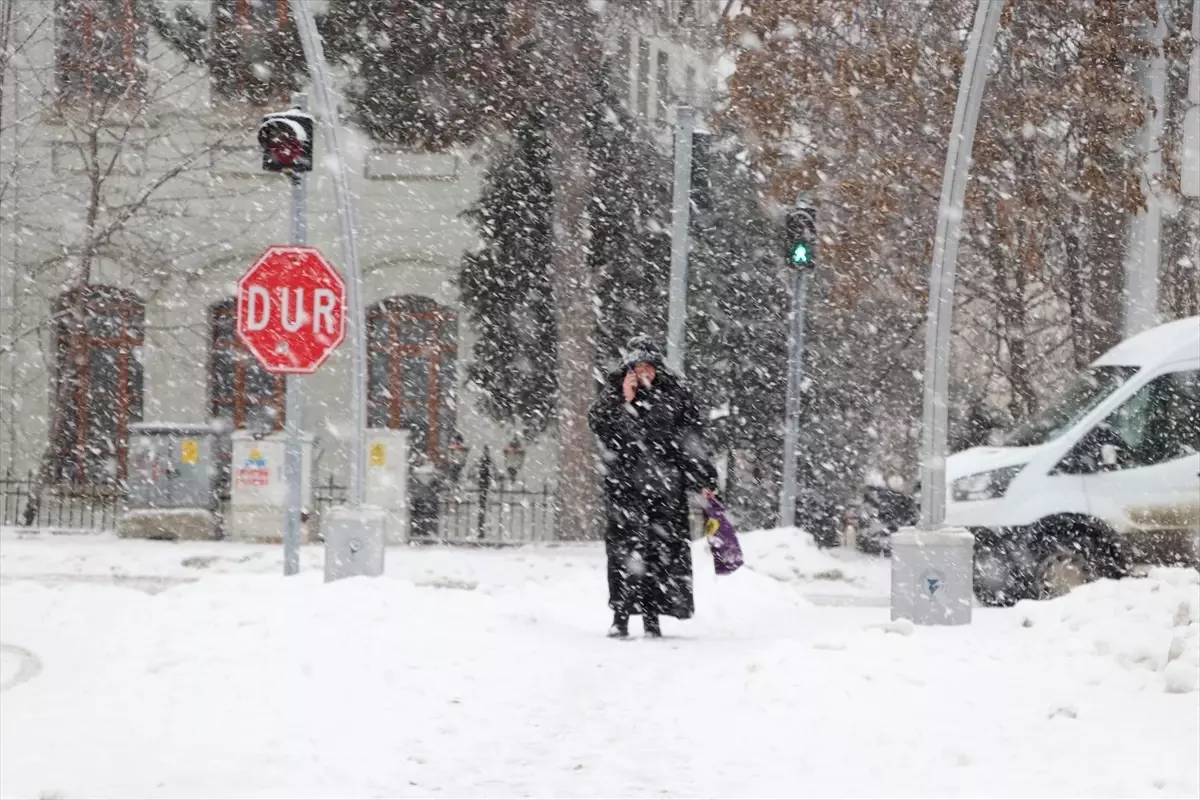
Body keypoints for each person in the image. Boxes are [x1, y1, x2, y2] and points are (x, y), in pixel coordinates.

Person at [588, 336, 718, 638]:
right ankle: (621, 616)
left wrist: (704, 480)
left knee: (662, 553)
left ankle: (652, 616)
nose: (645, 372)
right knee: (625, 553)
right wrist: (625, 400)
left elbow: (691, 441)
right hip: (625, 489)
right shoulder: (615, 396)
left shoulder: (675, 396)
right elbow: (603, 430)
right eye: (638, 367)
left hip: (665, 489)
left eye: (649, 366)